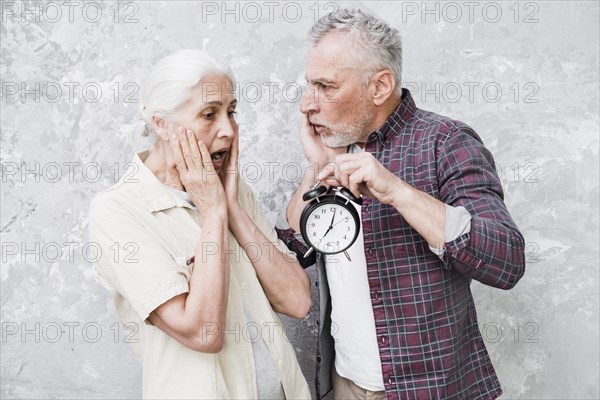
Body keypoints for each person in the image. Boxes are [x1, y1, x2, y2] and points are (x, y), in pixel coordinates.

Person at [275, 9, 526, 400]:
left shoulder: (446, 142)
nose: (308, 104)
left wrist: (397, 192)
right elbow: (299, 246)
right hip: (346, 385)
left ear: (379, 86)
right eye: (310, 85)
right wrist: (317, 167)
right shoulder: (339, 143)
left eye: (326, 86)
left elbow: (506, 260)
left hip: (432, 390)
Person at [88, 49, 312, 400]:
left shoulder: (233, 192)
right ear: (161, 124)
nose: (229, 130)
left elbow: (298, 301)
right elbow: (203, 334)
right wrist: (214, 214)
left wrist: (232, 207)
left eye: (232, 111)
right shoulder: (118, 211)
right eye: (209, 114)